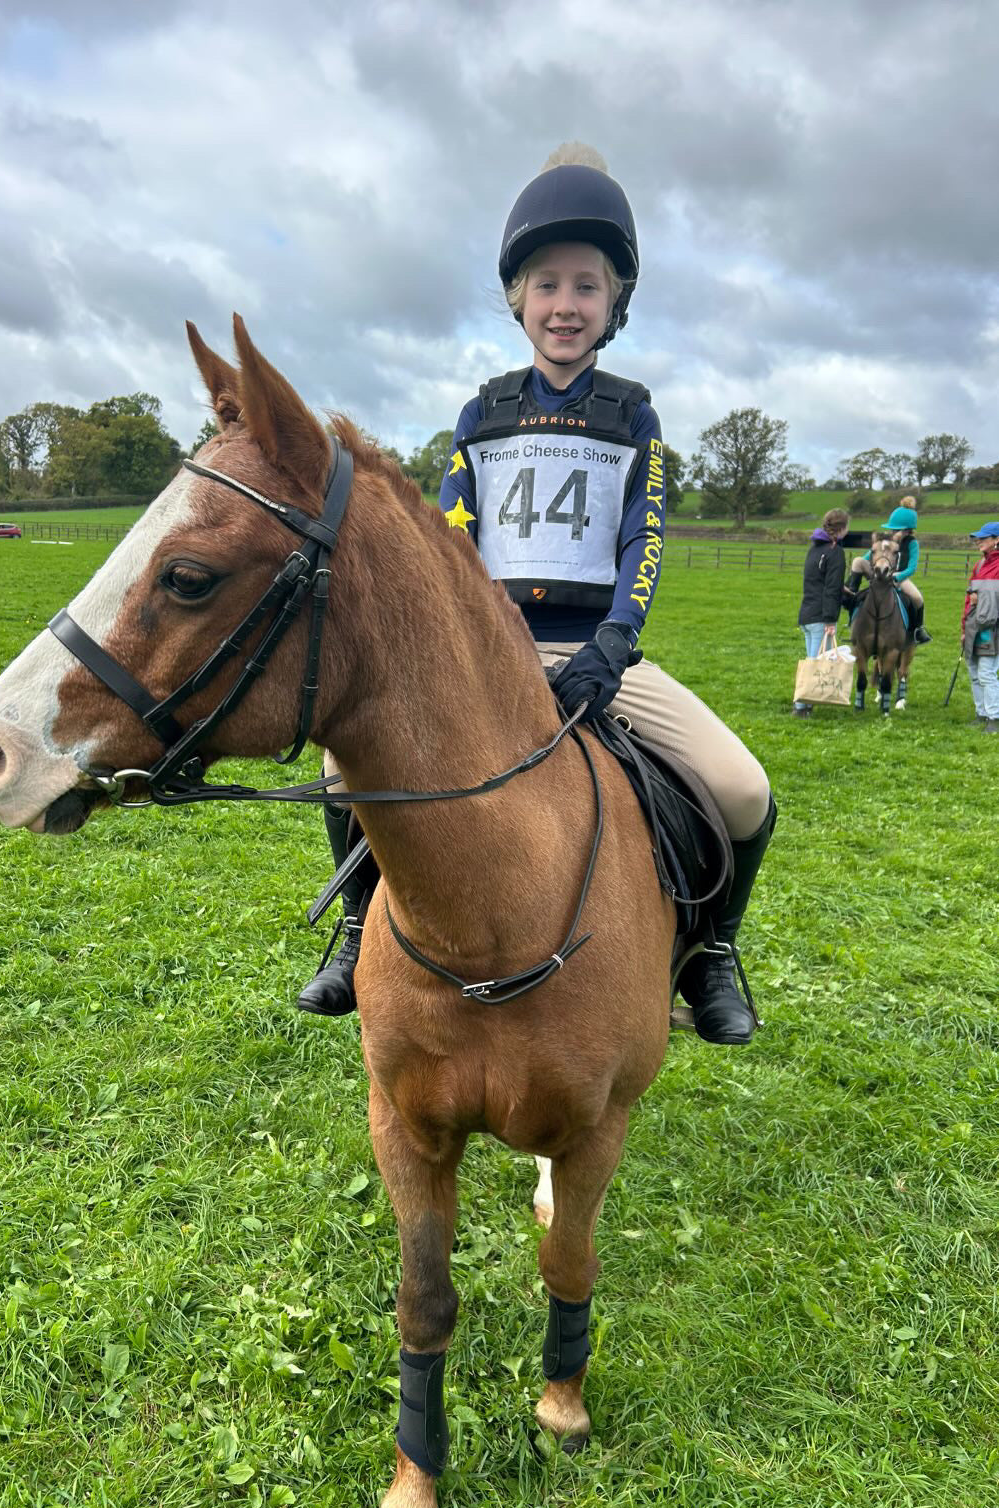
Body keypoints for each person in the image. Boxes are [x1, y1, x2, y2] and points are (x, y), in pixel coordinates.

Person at [297, 143, 775, 1047]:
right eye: (548, 284)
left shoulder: (633, 413)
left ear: (614, 303)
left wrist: (612, 646)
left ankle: (711, 952)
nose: (566, 305)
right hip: (486, 659)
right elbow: (449, 539)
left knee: (743, 790)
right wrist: (453, 647)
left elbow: (646, 537)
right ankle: (358, 930)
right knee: (338, 775)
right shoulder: (482, 413)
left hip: (597, 655)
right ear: (518, 297)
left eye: (587, 286)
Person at [845, 496, 931, 642]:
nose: (892, 533)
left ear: (906, 531)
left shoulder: (912, 543)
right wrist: (867, 564)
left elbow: (912, 567)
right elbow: (867, 557)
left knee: (918, 598)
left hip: (899, 577)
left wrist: (898, 576)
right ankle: (850, 592)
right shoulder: (885, 541)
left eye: (896, 530)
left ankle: (918, 629)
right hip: (878, 573)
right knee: (858, 561)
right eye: (892, 530)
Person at [793, 508, 849, 716]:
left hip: (807, 612)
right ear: (842, 528)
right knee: (814, 663)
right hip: (820, 616)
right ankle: (801, 706)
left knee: (811, 660)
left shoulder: (814, 549)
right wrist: (830, 619)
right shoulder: (835, 552)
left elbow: (816, 581)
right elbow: (831, 588)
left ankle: (805, 703)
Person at [961, 521, 999, 733]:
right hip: (974, 627)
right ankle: (981, 713)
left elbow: (984, 598)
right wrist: (963, 629)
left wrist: (980, 598)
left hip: (994, 629)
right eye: (979, 538)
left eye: (984, 538)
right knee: (975, 672)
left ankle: (994, 718)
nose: (979, 541)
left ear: (997, 540)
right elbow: (968, 600)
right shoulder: (978, 566)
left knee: (986, 673)